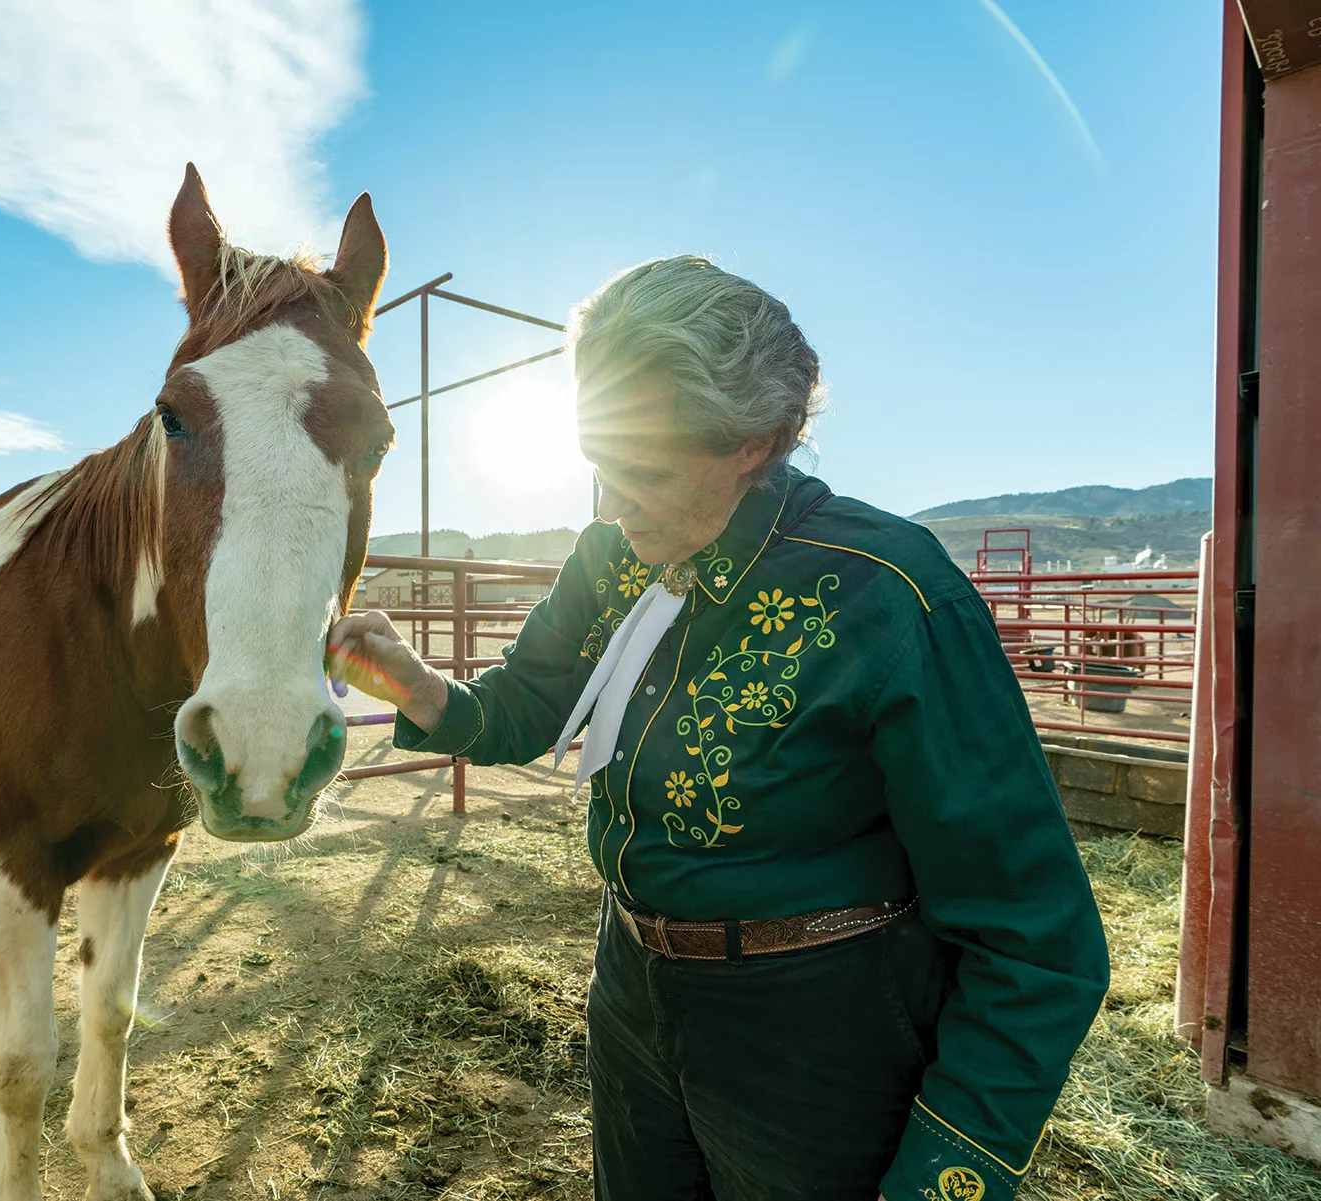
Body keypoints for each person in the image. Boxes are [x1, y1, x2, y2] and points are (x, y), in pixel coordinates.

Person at [326, 256, 1109, 1201]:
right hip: (631, 989)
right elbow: (528, 705)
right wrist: (420, 687)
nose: (610, 504)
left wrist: (949, 1172)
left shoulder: (888, 594)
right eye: (597, 465)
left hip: (817, 1028)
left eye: (643, 471)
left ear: (759, 441)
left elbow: (1034, 937)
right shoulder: (611, 554)